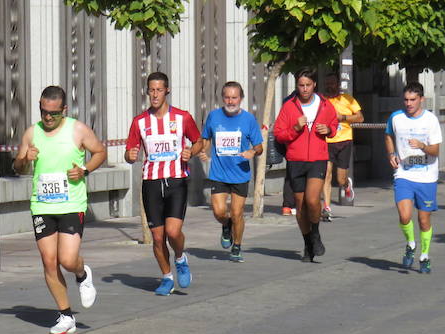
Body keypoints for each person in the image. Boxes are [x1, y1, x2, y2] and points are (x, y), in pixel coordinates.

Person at [13, 86, 106, 334]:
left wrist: (85, 170)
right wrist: (24, 158)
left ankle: (82, 273)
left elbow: (100, 152)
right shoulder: (32, 133)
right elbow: (18, 168)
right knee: (49, 262)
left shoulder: (78, 129)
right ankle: (66, 316)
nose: (47, 118)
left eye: (53, 114)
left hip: (71, 203)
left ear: (64, 110)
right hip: (42, 205)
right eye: (44, 112)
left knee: (67, 260)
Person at [125, 71, 203, 295]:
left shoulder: (182, 117)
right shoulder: (139, 122)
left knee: (173, 231)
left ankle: (180, 258)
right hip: (151, 182)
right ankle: (167, 277)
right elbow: (130, 151)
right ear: (147, 92)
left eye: (159, 90)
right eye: (151, 90)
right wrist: (129, 156)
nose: (155, 94)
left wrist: (191, 151)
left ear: (167, 90)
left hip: (176, 179)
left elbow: (199, 141)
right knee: (158, 237)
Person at [273, 69, 338, 262]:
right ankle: (308, 243)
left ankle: (316, 233)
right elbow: (279, 133)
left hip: (317, 158)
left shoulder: (325, 105)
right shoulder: (289, 107)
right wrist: (295, 128)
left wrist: (329, 130)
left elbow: (334, 126)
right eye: (301, 85)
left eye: (308, 85)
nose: (304, 89)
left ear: (314, 85)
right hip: (295, 160)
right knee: (300, 206)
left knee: (312, 200)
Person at [199, 81, 263, 262]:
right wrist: (203, 150)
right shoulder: (214, 116)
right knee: (219, 212)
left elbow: (259, 147)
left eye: (234, 97)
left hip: (240, 173)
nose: (231, 101)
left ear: (241, 99)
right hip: (219, 173)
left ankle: (237, 246)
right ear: (222, 98)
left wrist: (252, 151)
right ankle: (225, 225)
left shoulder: (248, 119)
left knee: (237, 214)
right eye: (227, 97)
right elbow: (206, 138)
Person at [385, 81, 442, 274]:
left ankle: (424, 256)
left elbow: (435, 150)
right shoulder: (396, 117)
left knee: (424, 220)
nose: (408, 103)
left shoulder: (431, 120)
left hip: (426, 176)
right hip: (404, 174)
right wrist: (391, 154)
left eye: (412, 100)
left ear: (421, 100)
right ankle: (410, 243)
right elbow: (388, 135)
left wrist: (422, 146)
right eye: (406, 100)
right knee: (404, 215)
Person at [321, 72, 363, 220]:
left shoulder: (347, 99)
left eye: (332, 83)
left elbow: (360, 117)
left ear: (338, 84)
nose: (329, 86)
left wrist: (343, 117)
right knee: (326, 175)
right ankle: (326, 207)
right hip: (326, 141)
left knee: (340, 179)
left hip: (344, 140)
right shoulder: (322, 100)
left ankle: (346, 185)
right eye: (327, 83)